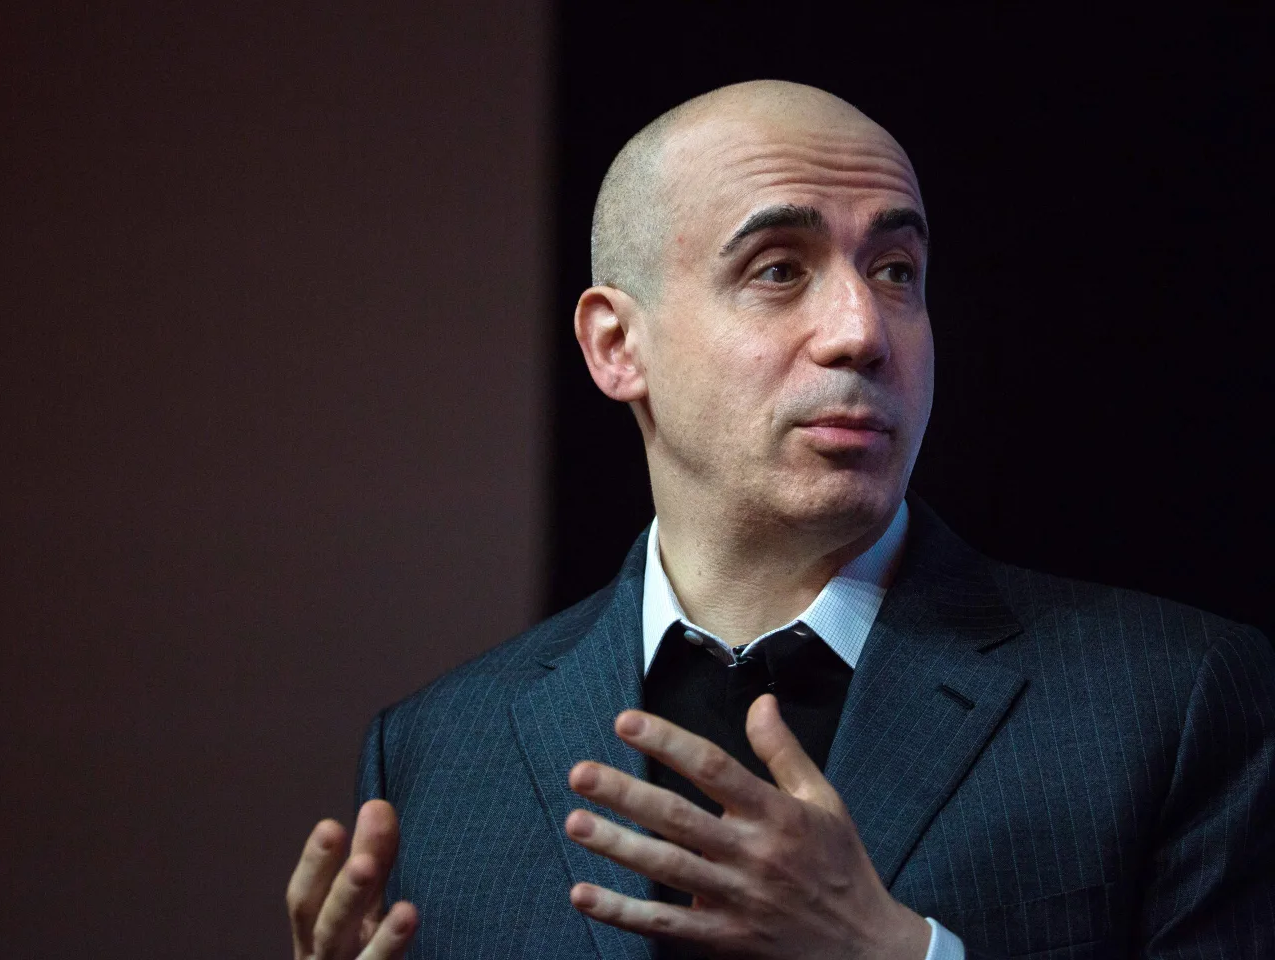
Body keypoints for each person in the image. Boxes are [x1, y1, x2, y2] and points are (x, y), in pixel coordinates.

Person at [284, 81, 1275, 960]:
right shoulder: (437, 749)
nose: (862, 331)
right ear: (617, 345)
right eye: (778, 269)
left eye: (896, 270)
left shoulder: (1175, 705)